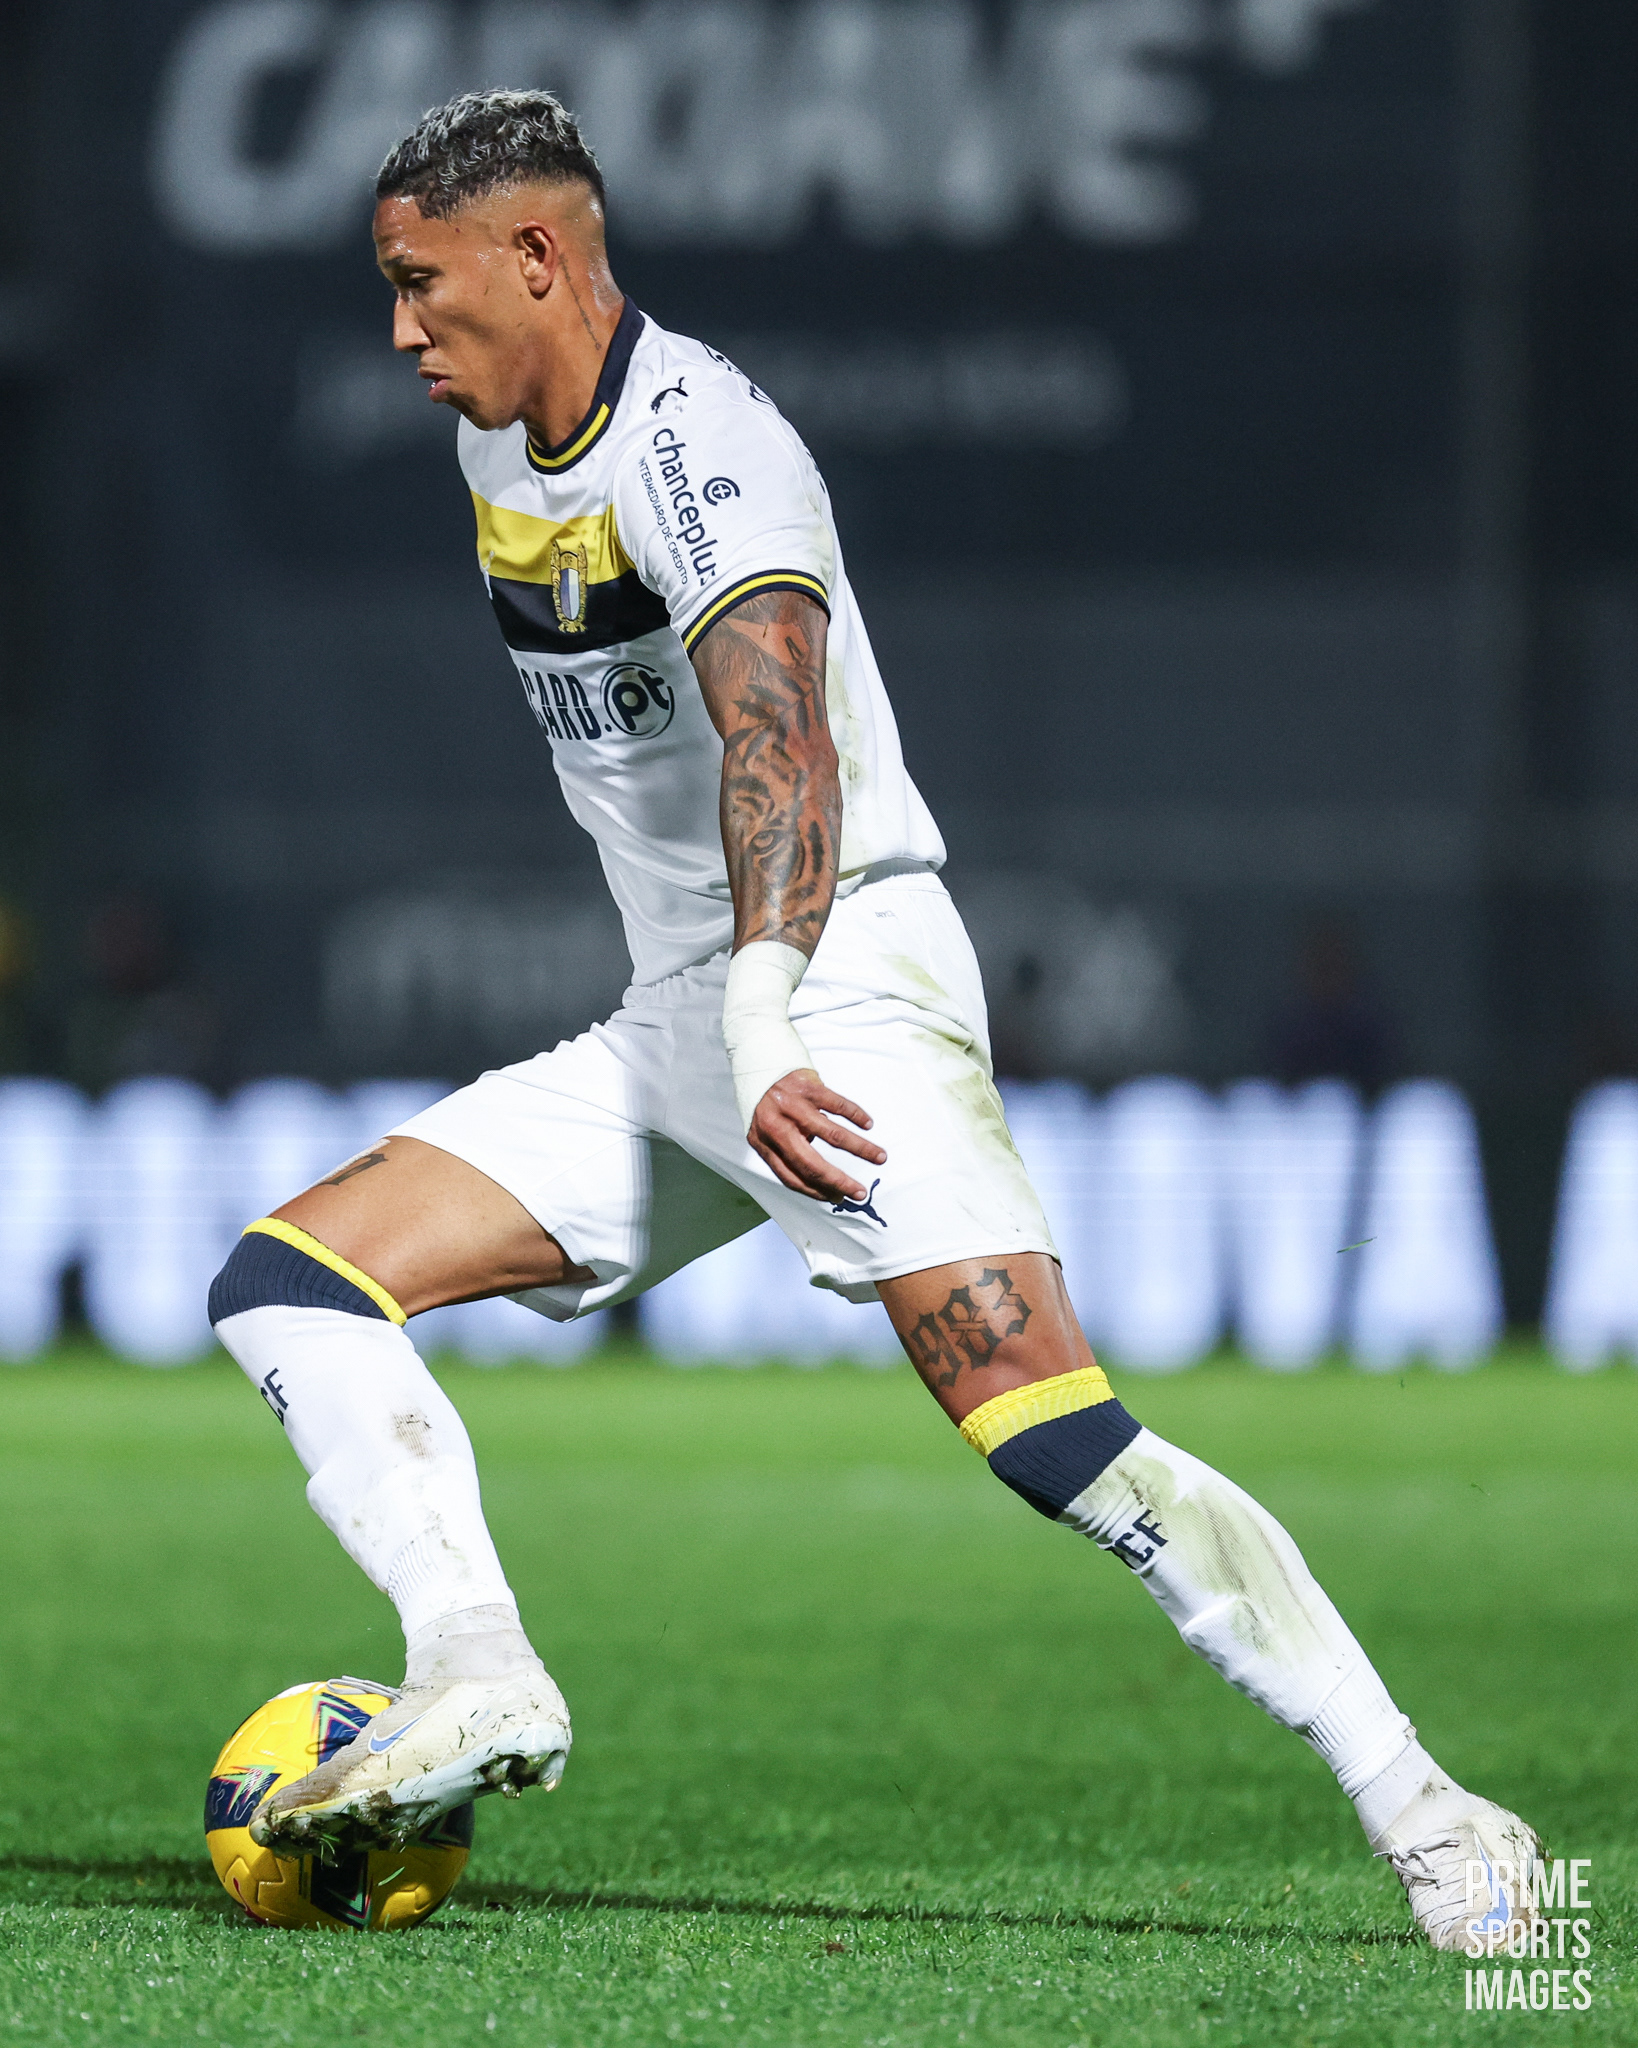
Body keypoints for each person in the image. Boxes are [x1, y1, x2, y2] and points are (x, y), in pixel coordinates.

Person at [208, 89, 1541, 1952]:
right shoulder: (495, 437)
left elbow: (781, 740)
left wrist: (771, 1019)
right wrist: (715, 1019)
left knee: (1050, 1435)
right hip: (679, 1020)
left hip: (836, 994)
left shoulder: (705, 448)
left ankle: (1432, 1812)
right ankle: (474, 1666)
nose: (401, 330)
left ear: (539, 256)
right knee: (291, 1283)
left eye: (421, 285)